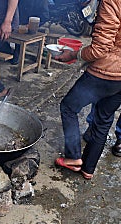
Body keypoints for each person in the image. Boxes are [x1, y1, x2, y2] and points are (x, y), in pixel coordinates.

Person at [54, 0, 121, 179]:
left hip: (105, 72)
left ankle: (73, 157)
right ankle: (88, 169)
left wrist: (75, 54)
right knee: (104, 119)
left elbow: (99, 49)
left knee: (68, 107)